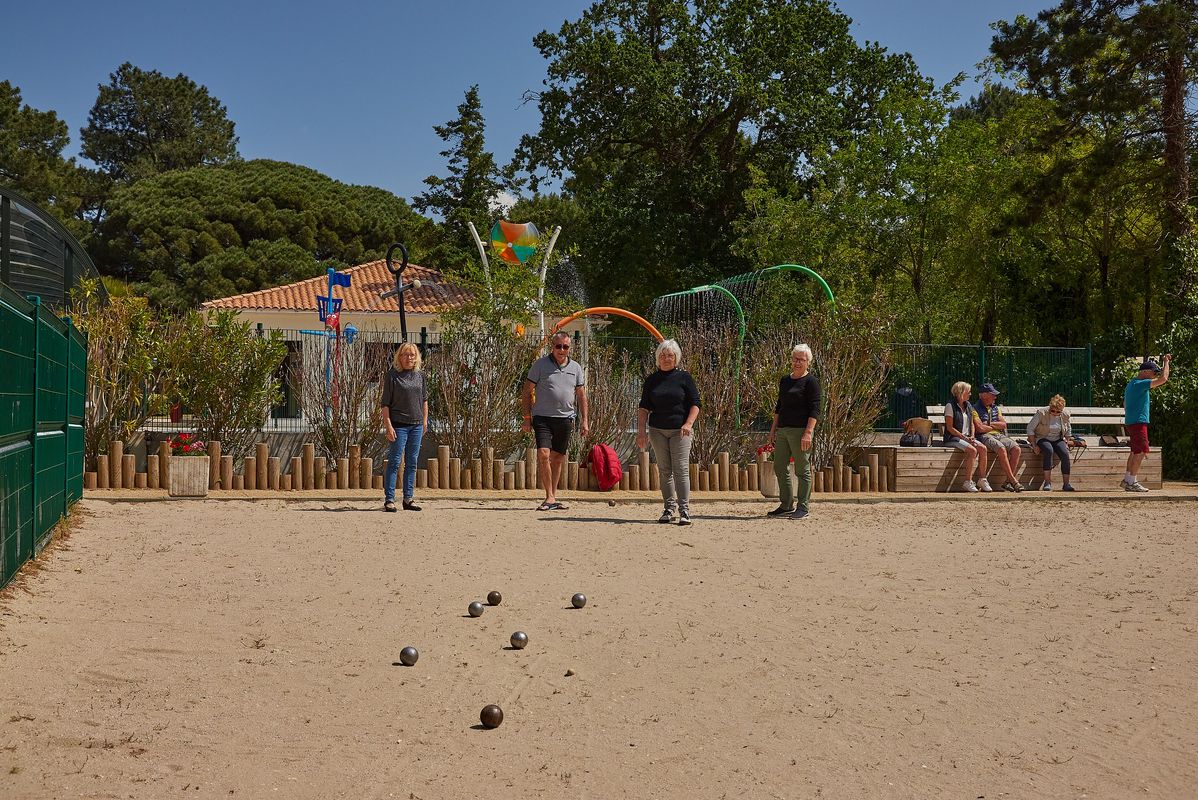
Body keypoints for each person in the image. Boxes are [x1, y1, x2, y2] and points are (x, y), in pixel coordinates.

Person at [636, 340, 701, 526]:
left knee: (680, 470)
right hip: (657, 430)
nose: (666, 358)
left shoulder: (684, 378)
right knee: (665, 471)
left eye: (670, 355)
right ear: (657, 358)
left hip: (680, 430)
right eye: (663, 355)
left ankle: (684, 509)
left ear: (676, 358)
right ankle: (668, 507)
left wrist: (689, 423)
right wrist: (641, 431)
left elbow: (696, 403)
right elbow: (644, 408)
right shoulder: (652, 380)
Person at [522, 331, 589, 511]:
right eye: (558, 346)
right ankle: (549, 497)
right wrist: (527, 418)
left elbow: (581, 396)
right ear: (552, 347)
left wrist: (585, 421)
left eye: (565, 346)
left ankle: (553, 496)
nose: (561, 350)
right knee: (544, 454)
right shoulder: (540, 365)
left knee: (558, 458)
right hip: (542, 417)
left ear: (569, 348)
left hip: (565, 418)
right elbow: (527, 391)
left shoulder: (575, 368)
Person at [765, 344, 820, 520]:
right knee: (780, 466)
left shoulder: (811, 382)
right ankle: (786, 504)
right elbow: (779, 407)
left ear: (808, 362)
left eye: (802, 360)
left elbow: (815, 409)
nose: (798, 362)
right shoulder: (785, 380)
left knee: (802, 470)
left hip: (801, 432)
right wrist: (773, 430)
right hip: (783, 430)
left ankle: (803, 507)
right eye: (795, 359)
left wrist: (808, 432)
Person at [380, 342, 428, 512]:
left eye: (412, 355)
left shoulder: (420, 376)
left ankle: (408, 499)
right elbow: (385, 404)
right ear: (399, 357)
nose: (409, 358)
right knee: (394, 462)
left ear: (416, 358)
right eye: (405, 355)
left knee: (412, 462)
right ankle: (389, 499)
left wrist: (424, 420)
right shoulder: (392, 376)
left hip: (416, 425)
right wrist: (388, 426)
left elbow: (424, 399)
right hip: (398, 425)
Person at [1121, 355, 1171, 492]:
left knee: (1135, 451)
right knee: (1142, 451)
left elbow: (1125, 403)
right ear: (1145, 372)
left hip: (1132, 421)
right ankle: (1132, 482)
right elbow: (1163, 379)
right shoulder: (1140, 384)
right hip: (1138, 422)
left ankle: (1127, 480)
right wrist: (1166, 362)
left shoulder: (1131, 384)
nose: (1155, 375)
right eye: (1153, 372)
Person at [973, 382, 1024, 492]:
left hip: (998, 434)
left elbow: (1003, 424)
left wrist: (988, 424)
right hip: (983, 436)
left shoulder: (996, 408)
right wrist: (993, 425)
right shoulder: (974, 409)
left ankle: (1007, 482)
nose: (995, 397)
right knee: (1001, 448)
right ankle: (1013, 481)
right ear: (984, 395)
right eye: (993, 394)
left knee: (1016, 449)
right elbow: (980, 429)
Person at [944, 381, 989, 492]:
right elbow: (950, 428)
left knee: (983, 449)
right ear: (960, 392)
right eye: (968, 392)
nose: (970, 394)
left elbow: (972, 424)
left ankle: (982, 479)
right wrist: (964, 438)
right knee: (972, 450)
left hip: (967, 437)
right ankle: (967, 482)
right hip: (952, 438)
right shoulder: (950, 406)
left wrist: (972, 436)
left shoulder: (968, 405)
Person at [1026, 394, 1075, 491]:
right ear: (1050, 407)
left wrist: (1067, 442)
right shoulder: (1041, 412)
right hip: (1042, 437)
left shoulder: (1065, 414)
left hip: (1058, 438)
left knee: (1065, 454)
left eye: (1058, 412)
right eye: (1053, 411)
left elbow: (1068, 429)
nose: (1055, 413)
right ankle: (1047, 482)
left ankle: (1066, 484)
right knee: (1049, 450)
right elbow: (1030, 428)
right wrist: (1034, 445)